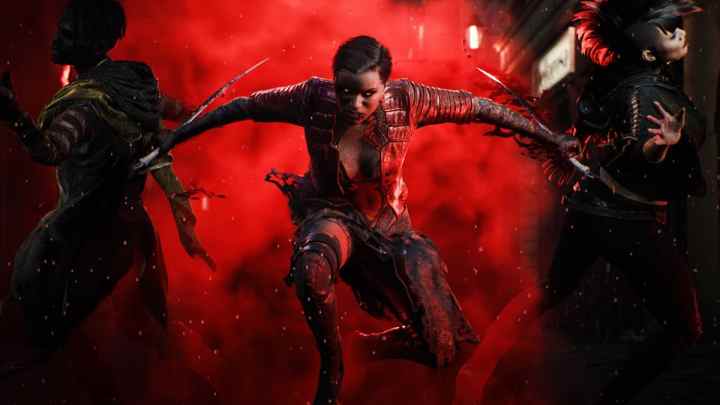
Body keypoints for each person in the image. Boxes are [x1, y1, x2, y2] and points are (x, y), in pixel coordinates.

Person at [145, 34, 578, 404]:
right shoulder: (311, 98)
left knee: (440, 347)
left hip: (389, 228)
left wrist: (549, 138)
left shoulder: (409, 100)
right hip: (330, 214)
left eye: (366, 94)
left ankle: (364, 349)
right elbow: (242, 106)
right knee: (312, 268)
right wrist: (175, 137)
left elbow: (481, 108)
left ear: (385, 86)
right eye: (345, 91)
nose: (353, 103)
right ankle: (333, 368)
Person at [479, 1, 706, 404]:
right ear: (647, 50)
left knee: (547, 293)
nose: (680, 32)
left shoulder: (624, 79)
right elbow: (637, 150)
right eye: (669, 28)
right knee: (686, 327)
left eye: (677, 24)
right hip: (626, 219)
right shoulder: (645, 89)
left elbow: (615, 142)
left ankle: (484, 366)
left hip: (592, 210)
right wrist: (658, 147)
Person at [0, 0, 213, 376]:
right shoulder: (128, 84)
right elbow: (166, 108)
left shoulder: (86, 107)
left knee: (42, 338)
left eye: (67, 33)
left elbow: (48, 150)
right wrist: (195, 113)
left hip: (82, 235)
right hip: (130, 229)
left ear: (91, 42)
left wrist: (14, 115)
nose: (56, 39)